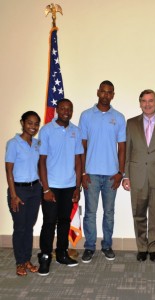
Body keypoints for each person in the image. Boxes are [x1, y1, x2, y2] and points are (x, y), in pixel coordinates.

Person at [123, 89, 155, 262]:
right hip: (136, 175)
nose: (147, 104)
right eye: (144, 101)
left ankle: (153, 247)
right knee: (138, 213)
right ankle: (141, 247)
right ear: (140, 103)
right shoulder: (130, 123)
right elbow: (127, 151)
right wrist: (125, 175)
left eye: (151, 101)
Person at [79, 80, 126, 262]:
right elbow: (81, 147)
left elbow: (122, 148)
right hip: (90, 174)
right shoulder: (86, 116)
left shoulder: (119, 117)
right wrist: (82, 173)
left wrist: (120, 173)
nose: (106, 95)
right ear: (98, 92)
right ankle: (90, 247)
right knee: (90, 213)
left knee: (109, 213)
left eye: (110, 92)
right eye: (103, 91)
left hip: (111, 176)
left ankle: (107, 245)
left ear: (113, 95)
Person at [38, 99, 83, 276]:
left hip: (69, 185)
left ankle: (62, 253)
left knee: (64, 221)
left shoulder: (76, 131)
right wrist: (46, 189)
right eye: (63, 108)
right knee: (49, 222)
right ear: (57, 110)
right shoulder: (46, 130)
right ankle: (45, 257)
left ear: (72, 112)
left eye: (69, 109)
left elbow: (78, 160)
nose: (66, 111)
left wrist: (77, 187)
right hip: (52, 187)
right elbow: (41, 161)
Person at [5, 111, 42, 276]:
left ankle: (27, 260)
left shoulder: (37, 144)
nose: (33, 127)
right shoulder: (13, 143)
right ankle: (19, 262)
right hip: (19, 190)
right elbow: (9, 170)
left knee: (29, 227)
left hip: (35, 190)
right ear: (22, 123)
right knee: (19, 227)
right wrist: (13, 195)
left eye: (36, 124)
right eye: (29, 123)